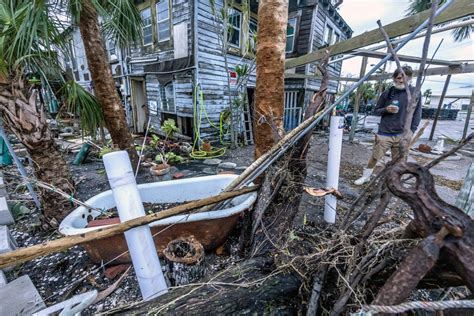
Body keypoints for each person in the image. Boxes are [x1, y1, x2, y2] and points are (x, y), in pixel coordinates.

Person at [354, 66, 422, 185]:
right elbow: (376, 110)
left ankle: (395, 181)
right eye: (398, 78)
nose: (400, 81)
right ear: (394, 78)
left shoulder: (415, 93)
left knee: (399, 160)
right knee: (375, 156)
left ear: (410, 78)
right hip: (385, 132)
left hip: (403, 133)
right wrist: (386, 109)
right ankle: (366, 177)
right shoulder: (388, 93)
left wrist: (412, 130)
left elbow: (418, 113)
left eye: (404, 78)